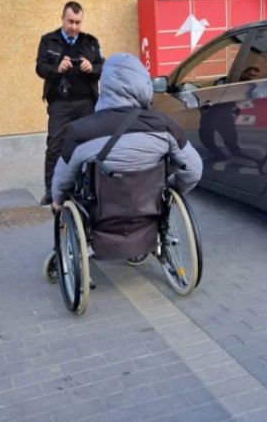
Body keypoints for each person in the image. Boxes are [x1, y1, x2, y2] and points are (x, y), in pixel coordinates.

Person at [46, 53, 203, 279]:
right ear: (143, 85)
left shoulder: (80, 131)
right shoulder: (164, 125)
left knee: (74, 189)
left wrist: (57, 201)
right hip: (149, 211)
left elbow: (62, 179)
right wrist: (170, 188)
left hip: (101, 215)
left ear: (105, 86)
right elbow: (193, 169)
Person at [35, 1, 103, 206]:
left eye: (78, 22)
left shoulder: (90, 42)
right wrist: (58, 68)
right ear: (62, 19)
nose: (74, 27)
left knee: (90, 145)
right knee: (55, 145)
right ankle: (50, 191)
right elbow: (40, 68)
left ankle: (89, 188)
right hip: (60, 105)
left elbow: (102, 66)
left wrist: (92, 67)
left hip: (86, 103)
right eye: (70, 22)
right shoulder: (49, 40)